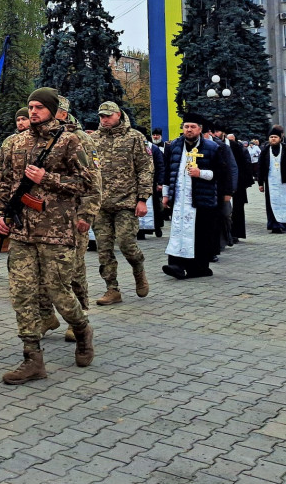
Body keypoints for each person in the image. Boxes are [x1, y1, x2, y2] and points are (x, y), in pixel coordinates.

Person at [0, 88, 95, 384]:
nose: (33, 111)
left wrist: (47, 179)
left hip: (56, 231)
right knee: (22, 294)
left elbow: (88, 183)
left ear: (53, 109)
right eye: (30, 106)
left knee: (58, 293)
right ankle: (32, 359)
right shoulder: (14, 143)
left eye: (39, 106)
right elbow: (5, 183)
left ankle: (82, 330)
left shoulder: (70, 141)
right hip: (22, 232)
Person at [42, 98, 100, 342]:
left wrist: (87, 214)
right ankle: (46, 316)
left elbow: (94, 180)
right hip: (47, 215)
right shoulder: (42, 138)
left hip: (74, 215)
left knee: (74, 267)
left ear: (62, 113)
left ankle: (79, 315)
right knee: (44, 268)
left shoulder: (82, 139)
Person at [92, 101, 153, 305]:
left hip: (126, 202)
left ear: (119, 115)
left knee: (127, 243)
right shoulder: (94, 140)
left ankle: (138, 268)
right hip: (101, 204)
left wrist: (142, 199)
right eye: (101, 116)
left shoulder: (134, 138)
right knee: (104, 249)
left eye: (108, 115)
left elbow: (145, 169)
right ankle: (112, 289)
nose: (104, 119)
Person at [161, 113, 229, 279]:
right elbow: (167, 172)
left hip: (201, 198)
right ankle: (175, 265)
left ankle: (198, 268)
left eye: (192, 127)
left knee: (199, 233)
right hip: (179, 197)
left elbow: (222, 173)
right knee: (178, 229)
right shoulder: (173, 146)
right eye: (186, 126)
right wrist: (165, 194)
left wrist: (201, 173)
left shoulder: (212, 148)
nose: (189, 130)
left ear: (200, 129)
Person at [258, 127, 286, 233]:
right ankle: (273, 225)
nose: (273, 139)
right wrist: (260, 183)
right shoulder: (265, 150)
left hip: (285, 182)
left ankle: (284, 224)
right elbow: (260, 167)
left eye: (275, 137)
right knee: (271, 203)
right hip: (270, 182)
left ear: (280, 138)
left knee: (284, 202)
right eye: (271, 137)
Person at [207, 121, 238, 255]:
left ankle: (224, 240)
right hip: (205, 190)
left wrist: (230, 190)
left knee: (224, 215)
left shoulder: (220, 147)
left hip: (220, 188)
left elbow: (231, 169)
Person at [226, 132, 254, 243]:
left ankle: (236, 233)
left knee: (237, 209)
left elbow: (246, 164)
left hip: (238, 183)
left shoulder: (239, 148)